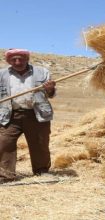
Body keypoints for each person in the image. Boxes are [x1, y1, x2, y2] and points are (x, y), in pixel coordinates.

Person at [0, 49, 56, 182]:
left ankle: (41, 171)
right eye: (14, 60)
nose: (18, 62)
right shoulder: (1, 74)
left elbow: (51, 94)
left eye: (21, 59)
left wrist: (50, 89)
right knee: (4, 143)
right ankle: (5, 175)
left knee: (40, 143)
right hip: (10, 115)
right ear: (9, 61)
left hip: (36, 114)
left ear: (27, 59)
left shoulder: (42, 72)